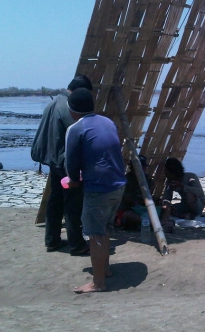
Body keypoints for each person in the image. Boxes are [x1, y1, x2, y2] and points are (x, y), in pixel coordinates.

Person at [64, 88, 127, 293]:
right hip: (118, 184)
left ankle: (98, 282)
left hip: (99, 188)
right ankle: (105, 269)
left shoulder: (76, 129)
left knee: (95, 235)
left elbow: (71, 163)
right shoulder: (107, 122)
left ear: (72, 110)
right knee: (105, 229)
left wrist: (73, 180)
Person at [30, 74, 92, 255]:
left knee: (55, 202)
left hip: (52, 160)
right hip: (65, 162)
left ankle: (52, 240)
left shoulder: (53, 102)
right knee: (72, 204)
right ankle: (77, 244)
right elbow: (79, 135)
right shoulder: (68, 106)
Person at [159, 158, 205, 225]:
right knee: (166, 208)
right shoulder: (170, 181)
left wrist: (182, 186)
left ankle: (192, 215)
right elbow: (167, 197)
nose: (165, 173)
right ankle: (183, 215)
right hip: (184, 204)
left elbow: (198, 192)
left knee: (189, 195)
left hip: (197, 204)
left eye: (166, 171)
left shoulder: (190, 177)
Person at [114, 155, 155, 230]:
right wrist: (140, 201)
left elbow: (150, 194)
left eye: (143, 168)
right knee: (130, 216)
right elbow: (128, 199)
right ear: (133, 168)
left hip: (143, 208)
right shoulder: (126, 180)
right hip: (128, 210)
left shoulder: (148, 179)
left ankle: (152, 223)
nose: (143, 169)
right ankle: (152, 224)